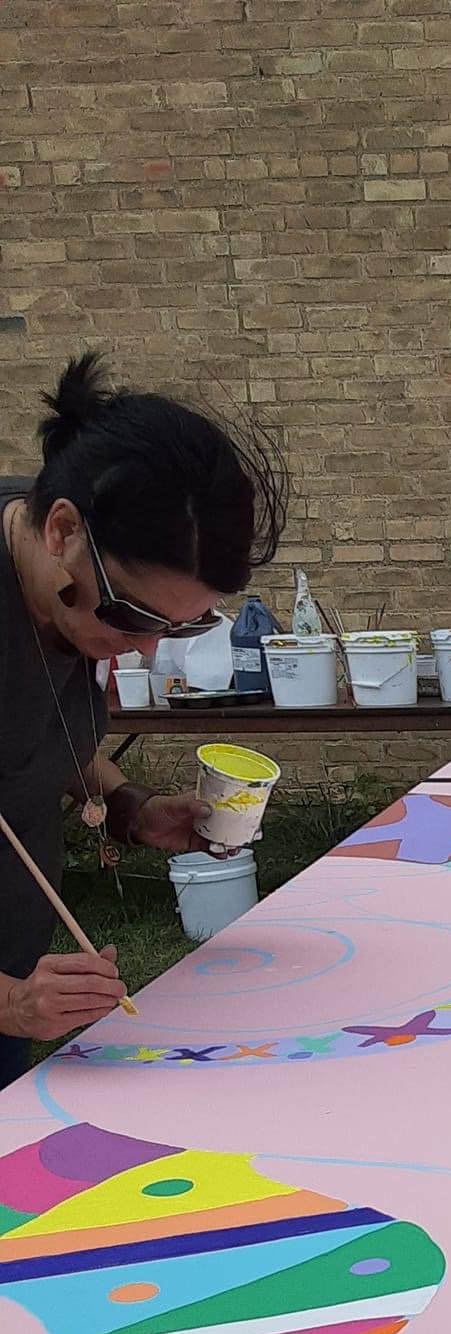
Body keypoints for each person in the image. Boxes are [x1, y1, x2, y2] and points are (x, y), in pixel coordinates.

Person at [0, 351, 287, 1087]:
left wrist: (131, 808)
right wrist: (11, 1003)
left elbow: (32, 735)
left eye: (183, 627)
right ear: (61, 529)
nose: (148, 648)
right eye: (133, 614)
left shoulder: (72, 600)